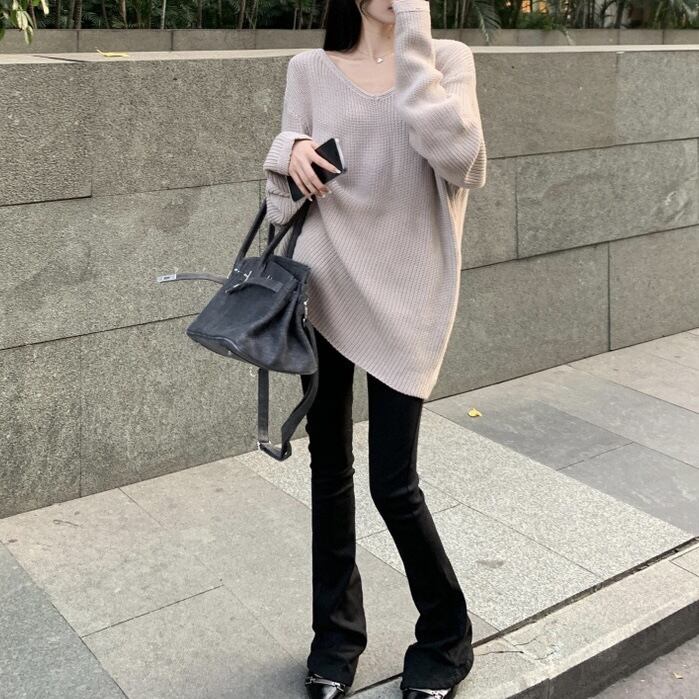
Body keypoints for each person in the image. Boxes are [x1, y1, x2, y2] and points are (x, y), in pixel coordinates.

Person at [262, 0, 487, 697]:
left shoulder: (445, 60)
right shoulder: (309, 68)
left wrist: (414, 34)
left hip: (409, 294)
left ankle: (446, 635)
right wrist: (286, 152)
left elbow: (462, 160)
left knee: (393, 482)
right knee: (328, 468)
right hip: (325, 287)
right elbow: (284, 201)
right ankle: (334, 639)